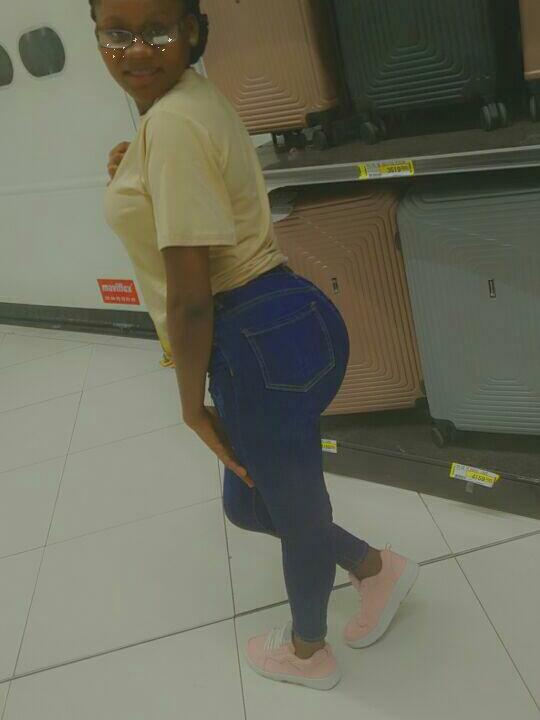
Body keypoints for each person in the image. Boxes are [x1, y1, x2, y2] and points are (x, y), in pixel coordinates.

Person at [92, 0, 419, 691]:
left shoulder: (171, 122)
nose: (136, 49)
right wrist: (137, 165)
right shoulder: (183, 102)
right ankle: (373, 567)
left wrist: (190, 405)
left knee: (296, 510)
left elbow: (190, 297)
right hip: (286, 317)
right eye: (115, 32)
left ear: (191, 30)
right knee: (248, 502)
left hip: (249, 338)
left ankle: (308, 652)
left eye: (157, 30)